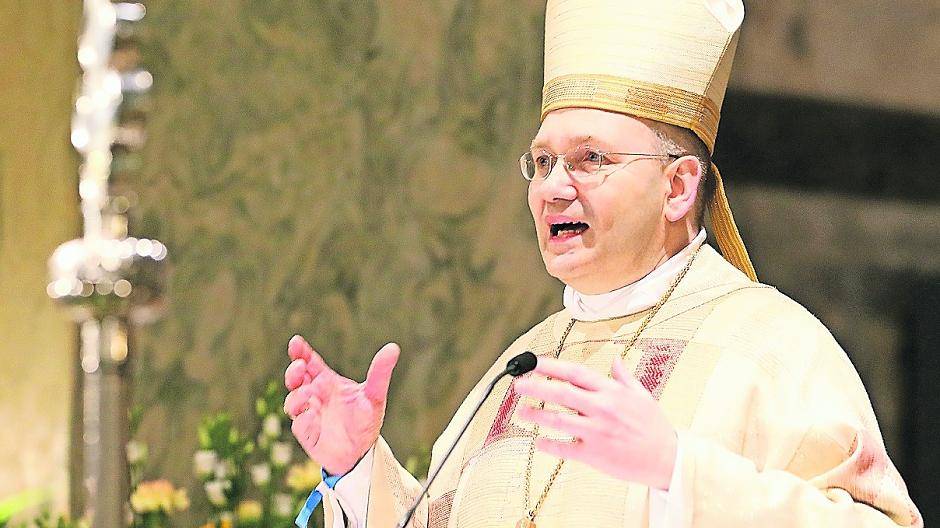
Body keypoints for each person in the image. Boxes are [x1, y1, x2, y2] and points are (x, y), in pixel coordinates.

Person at [283, 1, 922, 527]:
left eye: (591, 160)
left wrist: (680, 473)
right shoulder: (521, 368)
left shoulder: (776, 347)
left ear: (679, 188)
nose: (552, 188)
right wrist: (359, 471)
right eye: (542, 162)